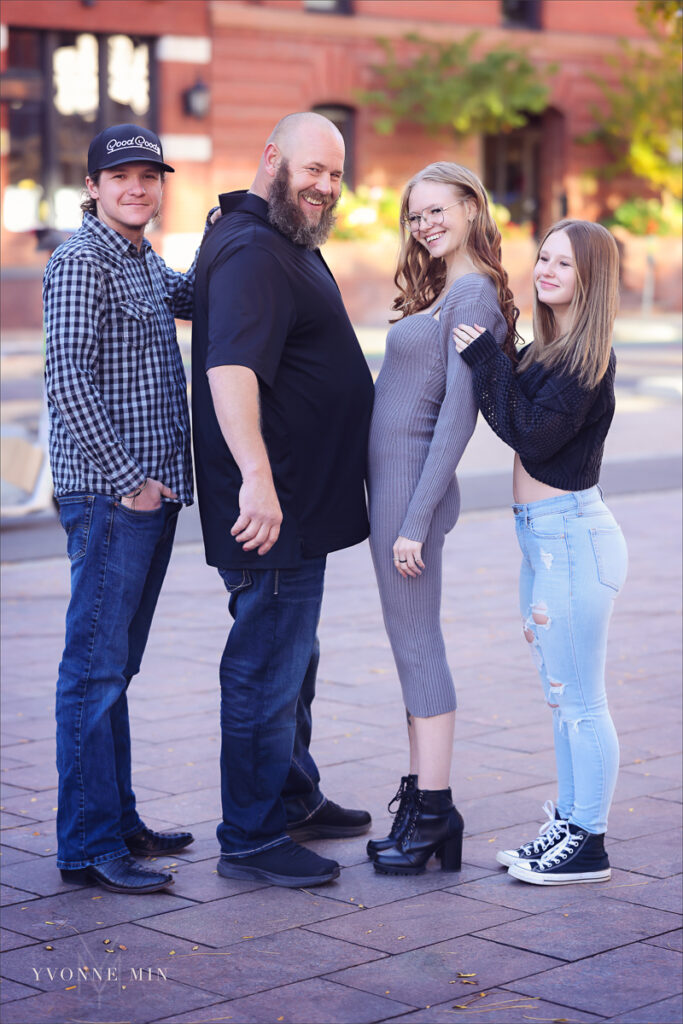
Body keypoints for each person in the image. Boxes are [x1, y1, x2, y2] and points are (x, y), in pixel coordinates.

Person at [192, 112, 374, 888]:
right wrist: (258, 481)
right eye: (312, 170)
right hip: (273, 509)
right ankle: (252, 836)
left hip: (299, 504)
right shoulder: (252, 251)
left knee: (291, 661)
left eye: (335, 175)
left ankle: (293, 796)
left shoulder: (273, 240)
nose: (325, 187)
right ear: (272, 159)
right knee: (264, 669)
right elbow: (230, 368)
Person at [44, 124, 206, 894]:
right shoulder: (81, 261)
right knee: (93, 674)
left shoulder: (141, 260)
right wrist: (128, 480)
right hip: (113, 499)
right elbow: (66, 379)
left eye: (149, 175)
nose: (138, 187)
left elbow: (198, 295)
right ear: (95, 186)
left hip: (150, 497)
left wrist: (233, 227)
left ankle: (120, 819)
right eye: (122, 177)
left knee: (116, 670)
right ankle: (87, 846)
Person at [455, 219, 627, 884]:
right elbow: (522, 401)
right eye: (544, 257)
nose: (547, 270)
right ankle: (572, 821)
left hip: (571, 540)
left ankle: (589, 842)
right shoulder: (553, 351)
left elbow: (525, 431)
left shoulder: (586, 362)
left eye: (563, 263)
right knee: (563, 696)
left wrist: (486, 361)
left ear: (591, 278)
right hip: (544, 536)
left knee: (581, 699)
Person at [366, 162, 519, 875]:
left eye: (435, 210)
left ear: (469, 206)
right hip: (394, 494)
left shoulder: (471, 293)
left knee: (419, 644)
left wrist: (413, 520)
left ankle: (434, 812)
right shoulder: (445, 289)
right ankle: (421, 801)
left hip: (409, 499)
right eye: (414, 215)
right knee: (407, 644)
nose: (423, 224)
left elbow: (457, 417)